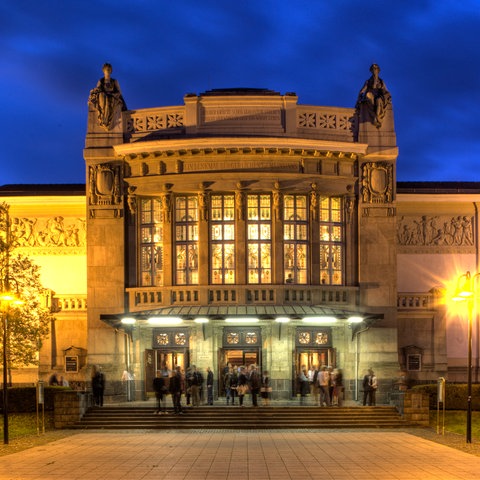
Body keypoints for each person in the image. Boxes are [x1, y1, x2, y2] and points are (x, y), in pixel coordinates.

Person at [88, 63, 127, 131]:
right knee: (102, 95)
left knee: (110, 100)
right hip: (103, 97)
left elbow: (119, 92)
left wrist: (114, 94)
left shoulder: (114, 81)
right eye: (106, 70)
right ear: (104, 71)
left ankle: (106, 120)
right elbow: (98, 89)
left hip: (113, 97)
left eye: (109, 70)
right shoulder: (101, 81)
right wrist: (94, 90)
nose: (108, 71)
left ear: (111, 71)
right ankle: (104, 119)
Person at [356, 63, 392, 128]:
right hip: (371, 96)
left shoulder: (381, 81)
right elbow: (362, 90)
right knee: (368, 96)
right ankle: (375, 117)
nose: (374, 71)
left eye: (376, 69)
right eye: (373, 69)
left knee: (379, 101)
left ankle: (377, 117)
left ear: (378, 71)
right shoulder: (368, 81)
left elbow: (385, 90)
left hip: (379, 97)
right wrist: (359, 98)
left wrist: (388, 96)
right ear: (371, 71)